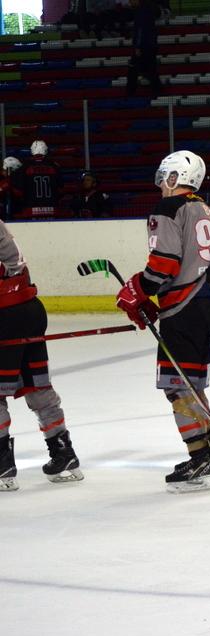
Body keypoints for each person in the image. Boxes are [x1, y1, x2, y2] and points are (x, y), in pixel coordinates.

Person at [114, 150, 210, 493]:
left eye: (165, 177)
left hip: (183, 306)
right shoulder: (208, 210)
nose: (161, 184)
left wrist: (137, 290)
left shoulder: (168, 209)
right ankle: (205, 457)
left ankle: (201, 462)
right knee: (191, 383)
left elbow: (164, 262)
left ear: (174, 178)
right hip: (204, 304)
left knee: (177, 385)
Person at [0, 218, 83, 491]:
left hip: (5, 312)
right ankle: (63, 454)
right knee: (37, 385)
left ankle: (2, 465)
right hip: (29, 309)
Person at [16, 141, 61, 219]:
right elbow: (60, 186)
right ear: (45, 150)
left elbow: (19, 187)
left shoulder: (25, 166)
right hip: (51, 208)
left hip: (31, 208)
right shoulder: (54, 166)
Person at [126, 0, 162, 96]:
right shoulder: (148, 9)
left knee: (134, 70)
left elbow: (140, 30)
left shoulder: (141, 11)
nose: (130, 3)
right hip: (151, 46)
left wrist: (137, 46)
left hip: (144, 47)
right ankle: (158, 93)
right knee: (151, 71)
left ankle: (130, 94)